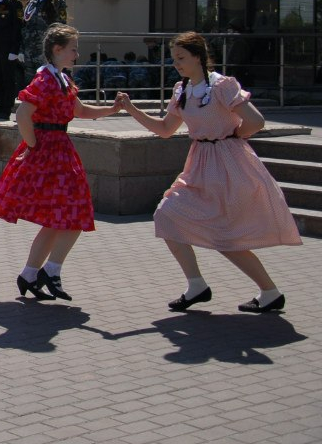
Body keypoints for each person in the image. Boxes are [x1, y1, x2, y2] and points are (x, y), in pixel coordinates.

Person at [117, 32, 301, 314]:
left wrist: (234, 135)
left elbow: (256, 121)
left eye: (181, 57)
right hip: (199, 165)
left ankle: (270, 292)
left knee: (225, 236)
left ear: (198, 57)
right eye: (174, 58)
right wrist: (131, 108)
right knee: (167, 214)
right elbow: (165, 130)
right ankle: (197, 285)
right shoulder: (182, 90)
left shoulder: (222, 86)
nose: (176, 63)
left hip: (229, 164)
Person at [0, 24, 122, 301]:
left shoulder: (62, 79)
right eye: (73, 49)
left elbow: (79, 110)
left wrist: (112, 109)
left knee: (59, 217)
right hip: (50, 150)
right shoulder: (45, 80)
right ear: (57, 50)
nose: (77, 55)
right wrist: (33, 146)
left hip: (59, 149)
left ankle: (30, 274)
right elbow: (23, 114)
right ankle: (50, 271)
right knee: (74, 212)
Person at [21, 0, 68, 82]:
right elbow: (24, 27)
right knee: (30, 83)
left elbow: (61, 27)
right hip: (29, 52)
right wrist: (21, 49)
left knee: (47, 82)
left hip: (46, 52)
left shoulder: (57, 3)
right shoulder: (31, 3)